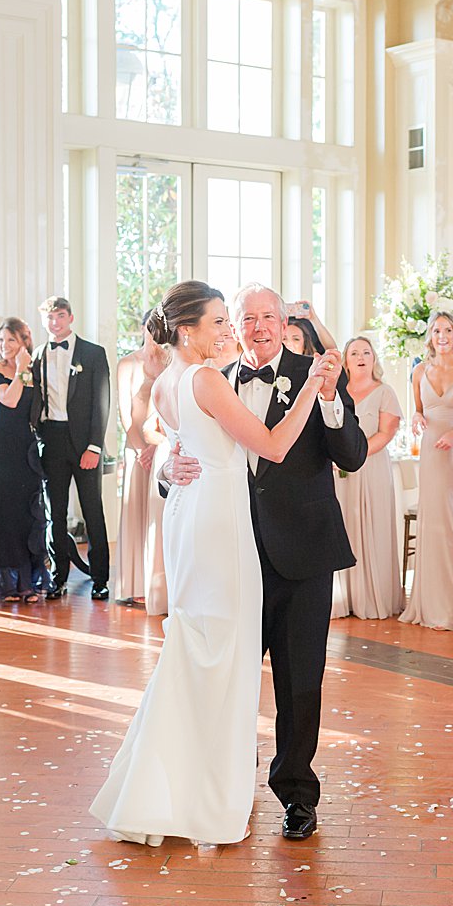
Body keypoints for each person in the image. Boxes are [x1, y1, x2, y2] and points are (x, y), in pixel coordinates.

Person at [91, 281, 336, 847]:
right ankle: (207, 795)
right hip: (221, 526)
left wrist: (169, 464)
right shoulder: (204, 378)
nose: (230, 331)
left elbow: (179, 445)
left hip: (192, 515)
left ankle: (182, 783)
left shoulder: (167, 383)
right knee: (220, 655)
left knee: (199, 650)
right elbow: (271, 447)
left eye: (234, 320)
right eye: (220, 321)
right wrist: (311, 389)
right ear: (187, 330)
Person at [154, 282, 366, 842]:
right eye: (244, 319)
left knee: (300, 683)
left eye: (268, 317)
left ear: (285, 321)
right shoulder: (208, 376)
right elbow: (174, 445)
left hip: (301, 552)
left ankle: (297, 794)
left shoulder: (317, 374)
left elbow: (353, 456)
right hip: (229, 552)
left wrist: (327, 398)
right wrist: (163, 471)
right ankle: (227, 783)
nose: (256, 328)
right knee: (229, 673)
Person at [400, 312, 453, 631]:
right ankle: (435, 603)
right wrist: (417, 419)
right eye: (437, 330)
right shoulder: (419, 371)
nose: (443, 335)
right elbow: (418, 412)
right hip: (432, 454)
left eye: (448, 330)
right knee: (435, 519)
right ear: (430, 336)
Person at [33, 297, 112, 600]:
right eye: (50, 318)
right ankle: (58, 577)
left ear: (71, 317)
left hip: (84, 443)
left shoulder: (93, 353)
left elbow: (101, 403)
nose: (55, 323)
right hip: (50, 439)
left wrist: (94, 446)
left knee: (93, 511)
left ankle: (100, 578)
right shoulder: (37, 356)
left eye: (60, 316)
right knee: (56, 513)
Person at [0, 318, 51, 602]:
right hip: (1, 448)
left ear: (24, 341)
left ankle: (27, 582)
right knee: (4, 510)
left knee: (26, 513)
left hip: (25, 448)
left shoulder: (35, 370)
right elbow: (10, 399)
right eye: (1, 340)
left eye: (11, 340)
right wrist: (21, 369)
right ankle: (4, 582)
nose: (4, 346)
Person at [332, 336, 404, 620]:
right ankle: (343, 597)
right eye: (354, 353)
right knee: (343, 528)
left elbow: (386, 433)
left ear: (374, 359)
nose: (361, 357)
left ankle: (373, 599)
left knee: (373, 527)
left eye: (366, 352)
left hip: (372, 467)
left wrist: (356, 455)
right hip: (339, 472)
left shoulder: (384, 392)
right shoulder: (337, 392)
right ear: (346, 361)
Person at [114, 311, 169, 609]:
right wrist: (140, 449)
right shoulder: (128, 363)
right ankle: (135, 583)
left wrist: (157, 447)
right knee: (137, 515)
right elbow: (125, 412)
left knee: (161, 519)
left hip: (164, 448)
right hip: (137, 451)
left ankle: (161, 584)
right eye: (152, 327)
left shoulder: (172, 362)